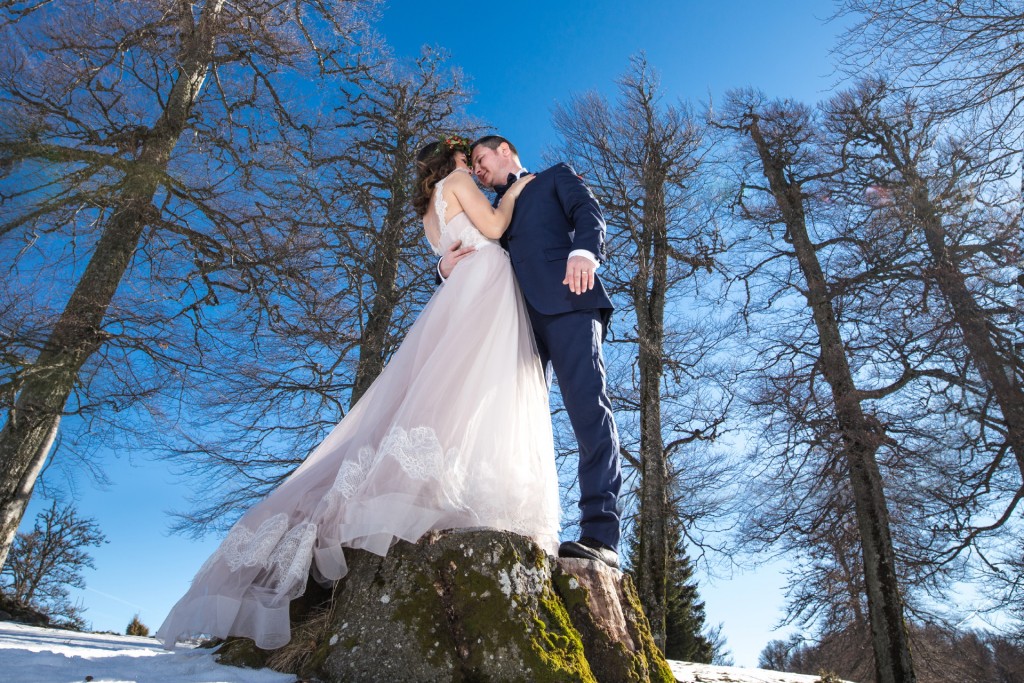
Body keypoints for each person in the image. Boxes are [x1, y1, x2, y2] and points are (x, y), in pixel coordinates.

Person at [156, 136, 557, 650]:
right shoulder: (459, 181)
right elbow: (496, 228)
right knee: (478, 390)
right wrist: (521, 187)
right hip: (484, 289)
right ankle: (457, 489)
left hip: (459, 293)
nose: (477, 169)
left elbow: (448, 249)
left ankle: (438, 486)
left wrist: (442, 266)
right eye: (470, 158)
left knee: (445, 391)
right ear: (456, 159)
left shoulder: (428, 211)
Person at [441, 135, 622, 570]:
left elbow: (588, 213)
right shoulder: (489, 212)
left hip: (568, 300)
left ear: (505, 150)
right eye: (475, 166)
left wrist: (585, 254)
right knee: (509, 419)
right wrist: (442, 268)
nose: (478, 171)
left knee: (587, 410)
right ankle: (508, 518)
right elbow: (477, 255)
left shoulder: (553, 177)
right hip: (513, 323)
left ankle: (601, 536)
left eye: (481, 159)